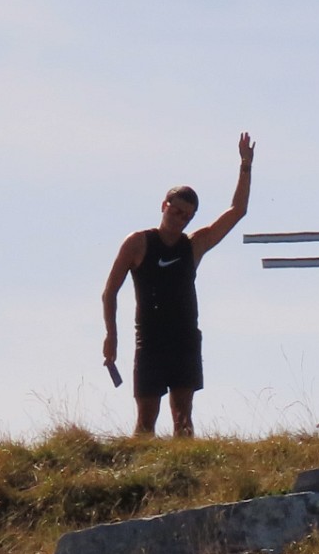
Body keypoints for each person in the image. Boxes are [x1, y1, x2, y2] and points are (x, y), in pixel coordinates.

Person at [102, 132, 255, 436]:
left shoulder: (194, 245)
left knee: (183, 420)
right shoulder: (138, 243)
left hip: (184, 340)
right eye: (176, 211)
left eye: (186, 216)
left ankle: (184, 476)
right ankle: (141, 479)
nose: (180, 219)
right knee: (145, 420)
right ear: (164, 205)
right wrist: (112, 336)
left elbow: (237, 211)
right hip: (150, 341)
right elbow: (110, 292)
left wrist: (245, 166)